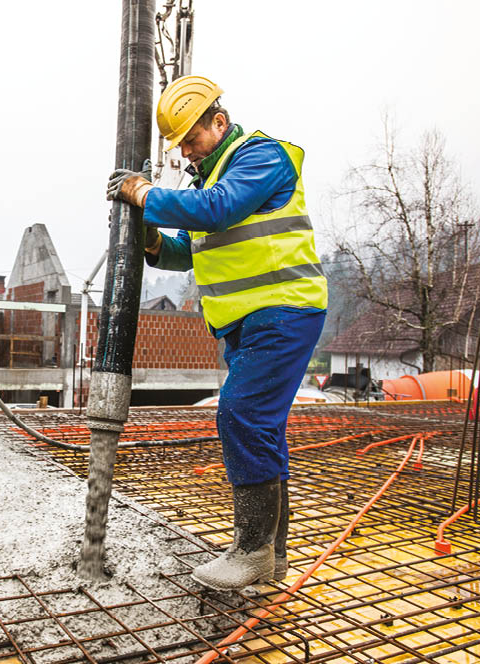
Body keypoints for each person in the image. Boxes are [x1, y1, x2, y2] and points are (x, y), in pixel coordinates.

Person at [107, 75, 327, 591]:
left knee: (242, 413)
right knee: (261, 426)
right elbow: (189, 247)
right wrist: (153, 239)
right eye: (180, 144)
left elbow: (219, 209)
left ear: (219, 122)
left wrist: (143, 192)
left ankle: (250, 551)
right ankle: (271, 557)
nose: (186, 152)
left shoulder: (261, 156)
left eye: (192, 138)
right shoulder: (209, 181)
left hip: (284, 309)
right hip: (247, 322)